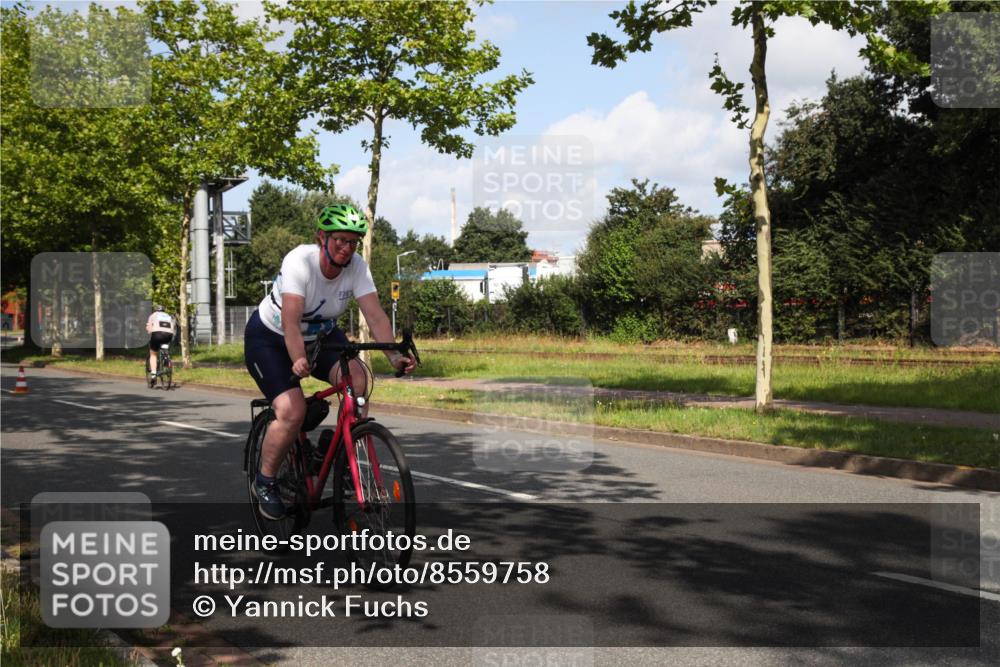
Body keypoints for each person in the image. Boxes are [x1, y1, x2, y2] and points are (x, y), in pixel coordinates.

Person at [244, 204, 416, 519]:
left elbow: (375, 314)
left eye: (352, 241)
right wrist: (297, 359)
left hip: (321, 338)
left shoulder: (357, 266)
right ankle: (265, 481)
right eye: (339, 239)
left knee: (358, 381)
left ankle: (340, 449)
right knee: (291, 411)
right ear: (322, 237)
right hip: (270, 339)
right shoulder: (300, 261)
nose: (345, 247)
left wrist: (393, 355)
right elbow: (291, 322)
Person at [145, 305, 175, 388]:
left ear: (155, 310)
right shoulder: (169, 316)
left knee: (153, 353)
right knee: (164, 346)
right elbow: (173, 327)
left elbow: (149, 327)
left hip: (157, 334)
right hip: (169, 335)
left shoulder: (153, 315)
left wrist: (150, 332)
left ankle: (153, 374)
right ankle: (166, 360)